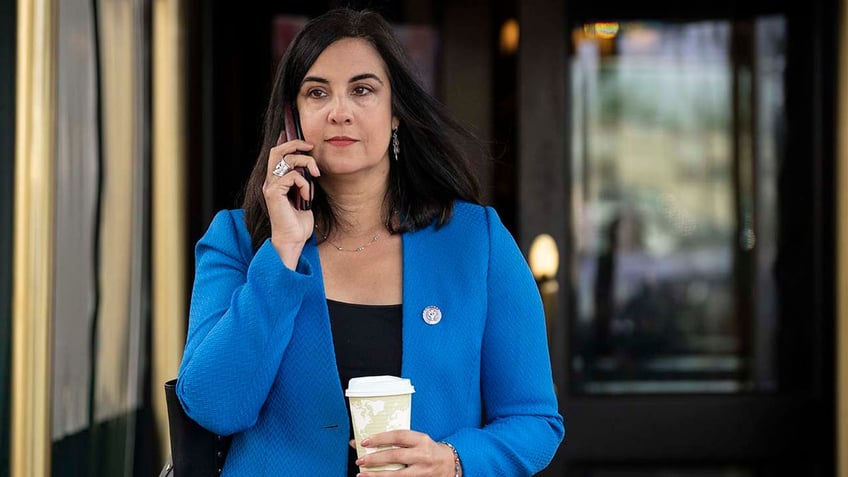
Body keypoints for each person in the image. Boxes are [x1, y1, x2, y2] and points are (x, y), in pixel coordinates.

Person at [176, 7, 564, 476]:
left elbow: (534, 420)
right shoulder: (238, 242)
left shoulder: (475, 242)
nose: (340, 112)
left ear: (396, 112)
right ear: (292, 119)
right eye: (317, 93)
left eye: (362, 90)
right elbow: (213, 406)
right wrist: (281, 254)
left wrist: (453, 462)